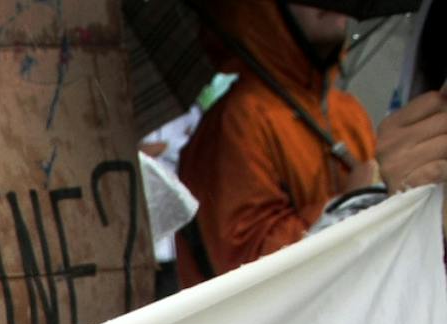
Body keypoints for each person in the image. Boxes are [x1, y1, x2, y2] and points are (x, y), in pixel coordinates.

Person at [178, 0, 447, 282]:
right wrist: (354, 201)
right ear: (262, 9)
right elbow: (245, 271)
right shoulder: (238, 119)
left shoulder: (348, 111)